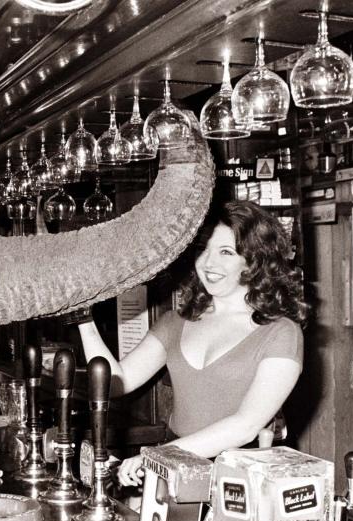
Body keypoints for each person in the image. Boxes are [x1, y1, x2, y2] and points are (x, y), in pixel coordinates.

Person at [77, 200, 309, 487]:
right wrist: (82, 318)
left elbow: (246, 425)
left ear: (254, 259)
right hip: (172, 468)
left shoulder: (281, 333)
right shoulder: (177, 321)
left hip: (241, 474)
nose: (209, 264)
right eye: (203, 250)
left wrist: (160, 456)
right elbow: (114, 383)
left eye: (226, 252)